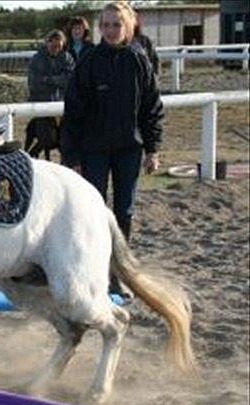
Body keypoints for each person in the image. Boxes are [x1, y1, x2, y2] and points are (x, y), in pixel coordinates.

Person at [61, 1, 163, 298]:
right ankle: (94, 273)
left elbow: (151, 107)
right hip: (93, 150)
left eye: (115, 25)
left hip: (129, 149)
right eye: (105, 25)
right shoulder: (89, 61)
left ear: (128, 26)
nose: (109, 30)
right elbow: (74, 110)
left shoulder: (138, 60)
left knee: (124, 212)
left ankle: (117, 274)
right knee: (92, 211)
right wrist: (72, 156)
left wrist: (153, 148)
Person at [27, 29, 74, 102]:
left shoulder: (67, 58)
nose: (56, 49)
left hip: (61, 102)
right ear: (47, 43)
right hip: (39, 102)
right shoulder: (37, 59)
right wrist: (57, 81)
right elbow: (34, 83)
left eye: (59, 47)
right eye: (53, 46)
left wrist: (47, 79)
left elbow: (69, 80)